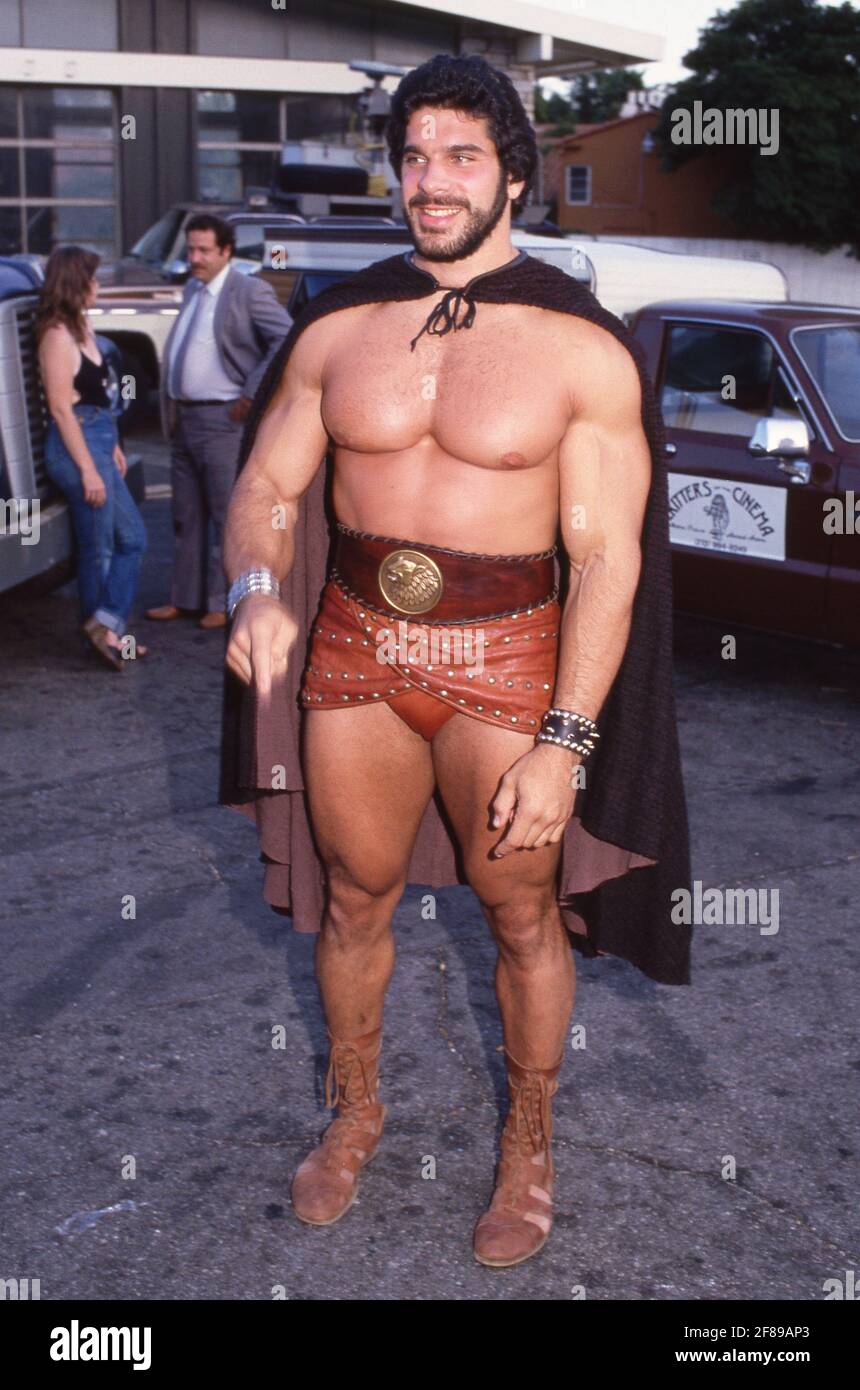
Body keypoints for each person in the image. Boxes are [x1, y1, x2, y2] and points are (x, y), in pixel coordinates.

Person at [220, 55, 691, 1268]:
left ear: (515, 178)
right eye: (414, 155)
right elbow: (269, 485)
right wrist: (258, 587)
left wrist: (564, 738)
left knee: (521, 915)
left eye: (460, 157)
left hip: (510, 658)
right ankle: (355, 1109)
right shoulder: (337, 326)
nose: (429, 182)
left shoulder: (581, 349)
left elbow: (607, 563)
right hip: (354, 653)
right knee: (353, 895)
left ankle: (528, 1140)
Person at [147, 214, 291, 630]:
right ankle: (183, 598)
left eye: (203, 250)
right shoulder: (192, 288)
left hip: (223, 420)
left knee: (225, 515)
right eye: (190, 249)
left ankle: (219, 601)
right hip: (186, 419)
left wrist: (252, 391)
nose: (194, 258)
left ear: (225, 251)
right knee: (185, 514)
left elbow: (285, 335)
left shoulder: (248, 291)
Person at [37, 245, 148, 671]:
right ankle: (104, 637)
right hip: (75, 445)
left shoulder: (82, 326)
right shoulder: (56, 336)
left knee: (128, 539)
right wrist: (87, 469)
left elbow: (103, 393)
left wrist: (115, 443)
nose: (98, 285)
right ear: (74, 282)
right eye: (93, 278)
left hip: (99, 438)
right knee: (100, 548)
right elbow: (62, 408)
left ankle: (106, 631)